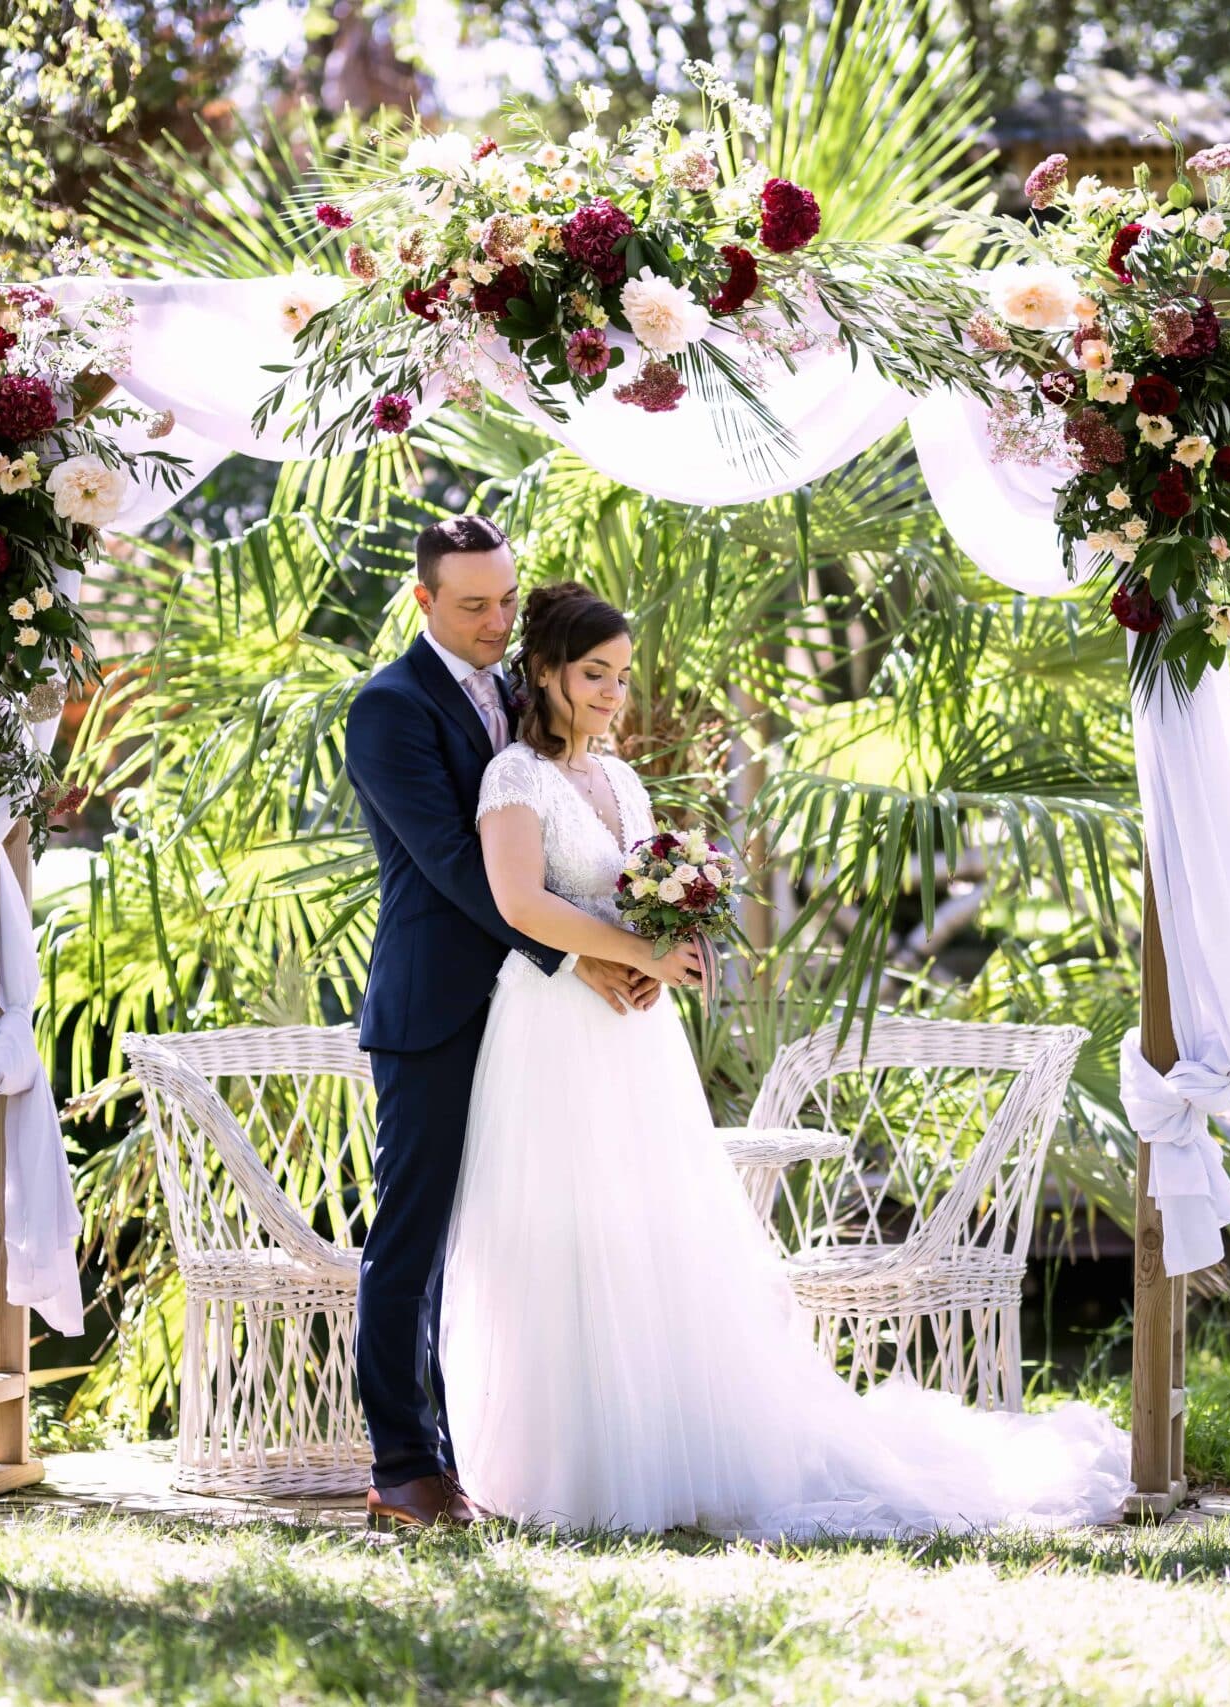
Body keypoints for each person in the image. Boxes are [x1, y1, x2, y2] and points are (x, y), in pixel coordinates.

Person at [440, 577, 1130, 1536]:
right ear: (546, 672)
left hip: (632, 1031)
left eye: (623, 677)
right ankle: (565, 1465)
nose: (611, 694)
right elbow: (518, 902)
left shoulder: (626, 780)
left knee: (648, 1228)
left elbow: (643, 897)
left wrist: (667, 956)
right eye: (594, 674)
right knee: (558, 1227)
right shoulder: (513, 777)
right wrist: (634, 950)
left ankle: (668, 1444)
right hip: (549, 1026)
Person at [342, 516, 696, 1530]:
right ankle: (405, 1466)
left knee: (521, 1235)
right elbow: (460, 865)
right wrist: (583, 951)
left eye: (505, 601)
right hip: (439, 1007)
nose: (496, 622)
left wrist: (640, 935)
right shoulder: (387, 709)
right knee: (412, 1239)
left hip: (540, 1021)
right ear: (423, 602)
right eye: (471, 606)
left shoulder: (525, 691)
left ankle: (513, 1452)